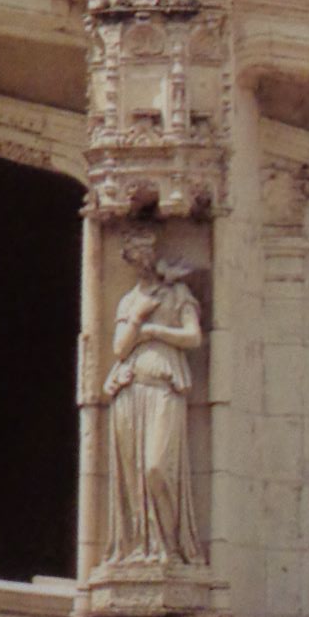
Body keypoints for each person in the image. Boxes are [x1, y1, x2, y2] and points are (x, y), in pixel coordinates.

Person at [103, 234, 203, 566]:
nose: (144, 260)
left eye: (148, 253)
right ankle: (141, 547)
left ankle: (169, 547)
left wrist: (153, 332)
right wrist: (139, 317)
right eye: (137, 254)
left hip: (164, 387)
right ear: (131, 261)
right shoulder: (130, 301)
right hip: (131, 391)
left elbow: (193, 337)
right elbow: (119, 348)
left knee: (156, 467)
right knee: (134, 476)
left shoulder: (177, 294)